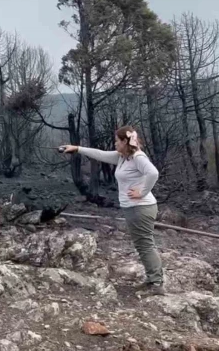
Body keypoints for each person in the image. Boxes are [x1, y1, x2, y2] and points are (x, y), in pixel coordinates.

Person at [60, 126, 165, 296]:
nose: (115, 143)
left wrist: (142, 191)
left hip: (141, 208)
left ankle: (156, 283)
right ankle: (152, 279)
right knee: (142, 244)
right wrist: (77, 149)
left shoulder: (138, 157)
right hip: (134, 208)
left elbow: (153, 173)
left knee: (145, 245)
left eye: (117, 140)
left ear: (125, 141)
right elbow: (100, 154)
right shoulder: (123, 157)